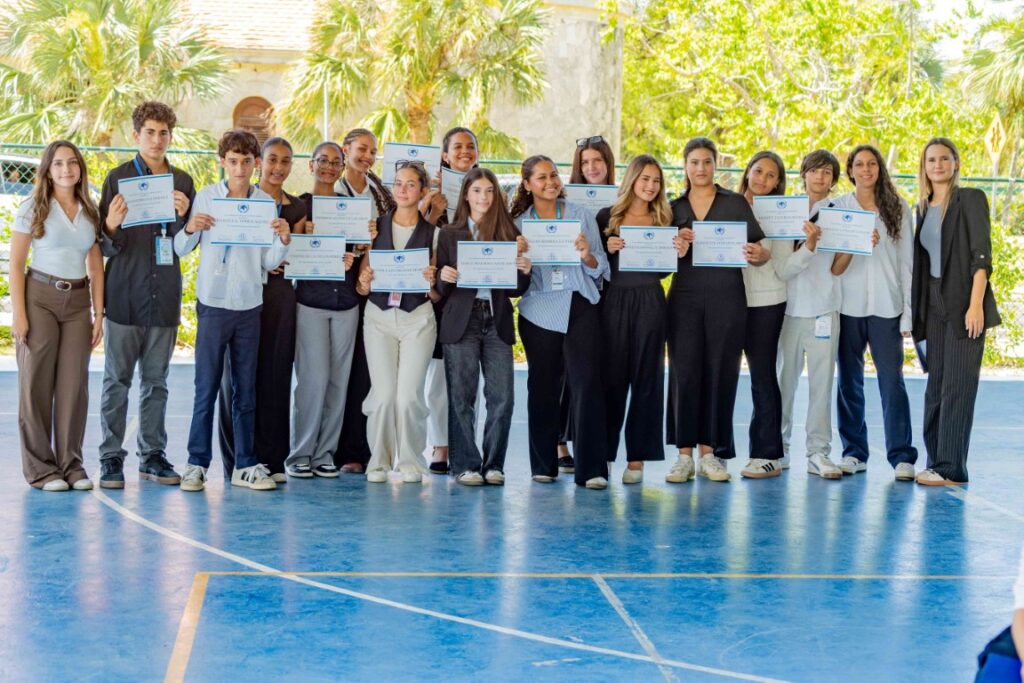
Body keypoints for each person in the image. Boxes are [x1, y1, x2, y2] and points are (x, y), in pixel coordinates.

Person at [173, 129, 291, 492]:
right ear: (222, 162)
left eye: (246, 162)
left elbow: (269, 260)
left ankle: (244, 464)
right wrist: (191, 227)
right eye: (233, 161)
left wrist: (283, 238)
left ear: (256, 164)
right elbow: (180, 248)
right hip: (213, 304)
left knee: (246, 391)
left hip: (249, 305)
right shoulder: (207, 197)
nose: (240, 169)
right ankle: (196, 464)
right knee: (205, 387)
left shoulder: (264, 204)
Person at [97, 101, 195, 489]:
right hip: (124, 294)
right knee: (116, 381)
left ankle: (151, 455)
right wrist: (111, 224)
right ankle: (109, 457)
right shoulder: (116, 179)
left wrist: (185, 218)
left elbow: (186, 243)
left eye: (164, 133)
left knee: (157, 382)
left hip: (165, 296)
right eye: (150, 132)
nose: (157, 139)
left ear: (171, 136)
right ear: (135, 135)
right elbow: (104, 246)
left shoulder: (183, 182)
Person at [666, 137, 769, 484]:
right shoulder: (672, 207)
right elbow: (659, 262)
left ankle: (711, 454)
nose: (700, 168)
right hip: (684, 301)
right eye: (694, 162)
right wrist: (675, 248)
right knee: (684, 373)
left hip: (727, 299)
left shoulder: (736, 203)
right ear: (685, 166)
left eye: (707, 162)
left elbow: (759, 249)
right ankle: (683, 456)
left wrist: (759, 256)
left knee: (721, 372)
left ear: (715, 165)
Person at [510, 155, 611, 489]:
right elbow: (514, 281)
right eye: (540, 177)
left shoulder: (582, 215)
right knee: (542, 387)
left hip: (580, 304)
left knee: (587, 384)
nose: (550, 182)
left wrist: (587, 254)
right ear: (527, 184)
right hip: (539, 309)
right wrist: (519, 258)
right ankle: (543, 465)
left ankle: (592, 469)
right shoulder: (519, 225)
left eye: (553, 175)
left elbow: (601, 270)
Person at [10, 140, 104, 491]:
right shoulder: (33, 207)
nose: (67, 169)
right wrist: (19, 315)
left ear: (80, 168)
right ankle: (41, 470)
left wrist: (99, 313)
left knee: (73, 387)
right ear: (48, 170)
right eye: (59, 164)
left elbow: (96, 266)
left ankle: (71, 464)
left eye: (73, 163)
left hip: (78, 302)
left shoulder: (89, 209)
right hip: (40, 298)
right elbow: (16, 265)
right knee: (35, 384)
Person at [216, 137, 307, 482]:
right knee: (237, 381)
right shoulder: (240, 201)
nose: (278, 167)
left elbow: (298, 253)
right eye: (272, 160)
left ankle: (271, 457)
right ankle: (237, 459)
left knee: (275, 376)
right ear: (258, 162)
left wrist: (287, 254)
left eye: (285, 161)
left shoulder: (297, 208)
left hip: (281, 299)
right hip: (243, 295)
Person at [912, 138, 1000, 485]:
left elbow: (982, 256)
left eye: (944, 158)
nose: (938, 165)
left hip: (964, 301)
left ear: (956, 163)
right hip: (932, 304)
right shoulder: (922, 207)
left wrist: (975, 304)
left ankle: (951, 467)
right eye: (931, 159)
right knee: (936, 385)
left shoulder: (971, 199)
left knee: (958, 386)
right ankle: (935, 461)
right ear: (925, 166)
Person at [435, 168, 532, 485]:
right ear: (466, 195)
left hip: (496, 320)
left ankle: (494, 465)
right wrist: (443, 276)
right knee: (462, 397)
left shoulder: (508, 233)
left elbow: (516, 289)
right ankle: (465, 464)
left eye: (490, 191)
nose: (484, 197)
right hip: (461, 320)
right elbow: (440, 286)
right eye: (477, 191)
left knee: (502, 396)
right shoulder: (450, 233)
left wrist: (524, 270)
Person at [834, 145, 918, 480]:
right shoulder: (838, 207)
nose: (866, 169)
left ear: (879, 169)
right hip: (847, 307)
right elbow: (831, 262)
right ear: (850, 170)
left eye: (872, 164)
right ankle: (854, 452)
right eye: (859, 164)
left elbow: (907, 264)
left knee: (891, 382)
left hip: (887, 308)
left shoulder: (898, 208)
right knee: (849, 382)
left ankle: (902, 456)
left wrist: (908, 313)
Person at [355, 160, 438, 483]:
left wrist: (431, 282)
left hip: (417, 318)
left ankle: (411, 461)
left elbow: (437, 294)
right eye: (398, 183)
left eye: (411, 184)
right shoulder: (375, 227)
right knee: (385, 394)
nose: (403, 189)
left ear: (423, 191)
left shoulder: (435, 234)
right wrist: (364, 280)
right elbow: (363, 284)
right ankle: (378, 461)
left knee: (408, 396)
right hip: (378, 317)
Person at [285, 141, 363, 479]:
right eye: (323, 161)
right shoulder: (299, 206)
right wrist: (303, 237)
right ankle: (300, 453)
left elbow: (359, 253)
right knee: (312, 381)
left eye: (336, 162)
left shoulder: (352, 208)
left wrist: (357, 251)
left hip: (346, 302)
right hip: (311, 302)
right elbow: (290, 259)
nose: (329, 167)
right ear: (311, 165)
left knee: (337, 383)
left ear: (342, 166)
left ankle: (325, 454)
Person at [777, 150, 854, 480]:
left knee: (822, 385)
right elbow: (782, 265)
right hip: (788, 308)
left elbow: (837, 268)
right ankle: (777, 448)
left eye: (827, 173)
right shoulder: (786, 211)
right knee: (783, 382)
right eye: (814, 171)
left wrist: (853, 245)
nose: (820, 177)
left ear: (834, 180)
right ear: (803, 174)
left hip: (824, 308)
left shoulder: (841, 213)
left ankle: (819, 453)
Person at [597, 154, 669, 484]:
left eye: (656, 181)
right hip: (613, 301)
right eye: (645, 179)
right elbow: (593, 266)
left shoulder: (665, 219)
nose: (651, 186)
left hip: (650, 301)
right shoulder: (606, 217)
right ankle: (606, 454)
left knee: (646, 379)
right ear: (632, 180)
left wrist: (678, 250)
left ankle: (636, 459)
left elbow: (664, 269)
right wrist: (606, 248)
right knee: (611, 379)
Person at [334, 128, 396, 474]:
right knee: (341, 369)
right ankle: (340, 450)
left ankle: (364, 448)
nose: (367, 157)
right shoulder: (332, 192)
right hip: (340, 284)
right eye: (361, 149)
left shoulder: (379, 195)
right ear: (346, 150)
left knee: (366, 370)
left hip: (375, 285)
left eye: (372, 152)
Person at [555, 134, 617, 473]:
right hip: (574, 292)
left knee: (597, 372)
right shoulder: (565, 202)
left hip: (610, 290)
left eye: (598, 160)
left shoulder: (624, 199)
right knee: (566, 371)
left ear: (608, 163)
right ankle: (560, 442)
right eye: (585, 162)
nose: (592, 167)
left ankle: (593, 442)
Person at [421, 127, 481, 475]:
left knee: (470, 377)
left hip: (477, 294)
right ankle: (440, 445)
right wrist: (432, 212)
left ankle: (466, 445)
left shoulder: (487, 191)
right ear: (444, 155)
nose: (464, 151)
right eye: (456, 147)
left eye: (470, 146)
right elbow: (417, 234)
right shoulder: (432, 194)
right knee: (438, 378)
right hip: (441, 294)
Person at [737, 151, 794, 479]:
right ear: (748, 171)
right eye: (758, 171)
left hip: (768, 303)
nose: (762, 179)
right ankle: (713, 451)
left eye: (771, 175)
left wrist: (768, 255)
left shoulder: (781, 212)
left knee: (762, 375)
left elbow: (785, 266)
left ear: (778, 182)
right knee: (721, 376)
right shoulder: (727, 204)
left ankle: (767, 453)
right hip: (729, 301)